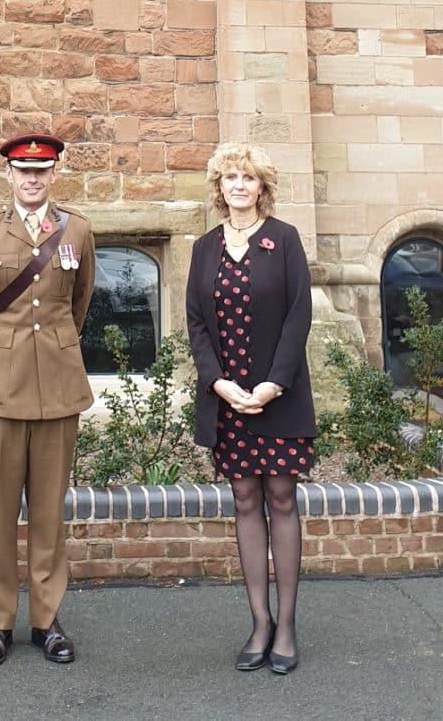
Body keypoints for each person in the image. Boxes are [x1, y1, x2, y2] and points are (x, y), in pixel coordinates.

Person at [0, 133, 96, 668]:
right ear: (9, 175)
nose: (32, 179)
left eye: (41, 171)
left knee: (48, 514)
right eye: (23, 171)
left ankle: (46, 620)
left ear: (54, 173)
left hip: (58, 388)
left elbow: (78, 302)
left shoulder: (76, 229)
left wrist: (51, 349)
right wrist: (3, 349)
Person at [185, 142, 317, 675]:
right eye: (230, 177)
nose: (239, 185)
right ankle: (258, 622)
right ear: (219, 188)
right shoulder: (204, 247)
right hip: (229, 398)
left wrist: (273, 385)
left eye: (248, 177)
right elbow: (195, 322)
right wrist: (217, 383)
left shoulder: (282, 240)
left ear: (263, 187)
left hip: (275, 395)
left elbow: (298, 313)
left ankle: (286, 625)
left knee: (280, 496)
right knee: (244, 497)